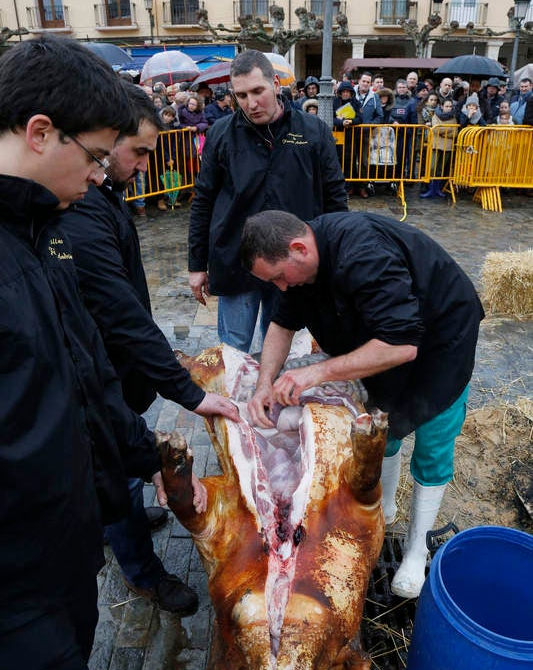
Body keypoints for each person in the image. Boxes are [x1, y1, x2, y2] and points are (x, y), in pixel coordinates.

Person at [0, 35, 177, 670]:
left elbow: (87, 369)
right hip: (19, 581)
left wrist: (141, 455)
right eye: (97, 156)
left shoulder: (41, 230)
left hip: (67, 543)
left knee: (77, 648)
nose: (102, 175)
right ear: (42, 133)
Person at [241, 209, 484, 599]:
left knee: (433, 445)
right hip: (379, 345)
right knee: (380, 431)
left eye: (278, 278)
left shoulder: (363, 253)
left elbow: (403, 346)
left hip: (441, 342)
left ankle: (416, 551)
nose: (281, 288)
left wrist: (316, 373)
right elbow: (282, 324)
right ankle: (382, 512)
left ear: (299, 248)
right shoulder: (299, 269)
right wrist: (263, 384)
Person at [62, 83, 238, 615]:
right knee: (111, 464)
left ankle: (132, 512)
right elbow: (120, 314)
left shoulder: (104, 193)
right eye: (138, 151)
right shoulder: (78, 210)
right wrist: (187, 391)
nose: (144, 166)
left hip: (119, 368)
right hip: (97, 377)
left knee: (127, 461)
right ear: (105, 140)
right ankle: (142, 571)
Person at [188, 49, 348, 353]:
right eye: (242, 95)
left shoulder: (313, 131)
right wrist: (196, 264)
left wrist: (336, 259)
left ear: (276, 83)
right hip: (235, 261)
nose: (251, 103)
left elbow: (335, 197)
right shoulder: (221, 134)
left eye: (258, 91)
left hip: (292, 265)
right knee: (233, 352)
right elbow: (203, 200)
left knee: (283, 351)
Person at [420, 99, 458, 199]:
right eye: (447, 106)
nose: (449, 108)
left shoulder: (453, 117)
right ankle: (430, 188)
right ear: (442, 106)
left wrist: (443, 129)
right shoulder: (436, 116)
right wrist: (449, 129)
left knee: (441, 169)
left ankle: (437, 189)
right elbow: (436, 129)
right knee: (432, 167)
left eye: (450, 106)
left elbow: (455, 132)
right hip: (436, 145)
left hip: (448, 146)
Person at [332, 80, 362, 194]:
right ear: (340, 92)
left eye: (347, 92)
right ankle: (339, 186)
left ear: (351, 93)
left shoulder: (356, 103)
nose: (345, 94)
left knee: (350, 161)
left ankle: (350, 187)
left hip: (351, 137)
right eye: (343, 92)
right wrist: (341, 123)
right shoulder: (334, 102)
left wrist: (351, 121)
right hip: (338, 137)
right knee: (337, 161)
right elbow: (331, 118)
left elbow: (360, 118)